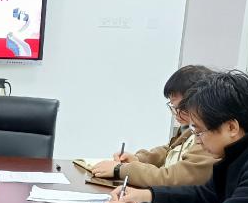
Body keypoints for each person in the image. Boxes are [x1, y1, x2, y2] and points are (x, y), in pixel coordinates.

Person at [97, 70, 248, 203]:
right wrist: (148, 196)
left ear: (231, 127)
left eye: (199, 132)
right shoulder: (243, 145)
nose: (197, 141)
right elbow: (206, 196)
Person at [90, 65, 218, 187]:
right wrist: (138, 160)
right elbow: (170, 150)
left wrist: (122, 169)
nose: (176, 114)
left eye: (180, 108)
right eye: (172, 107)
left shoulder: (209, 138)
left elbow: (172, 178)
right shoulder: (189, 128)